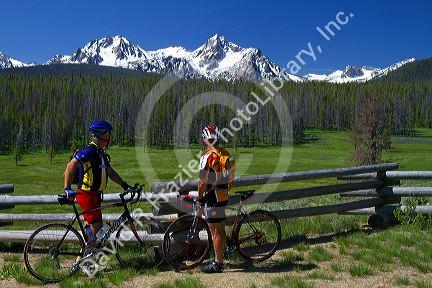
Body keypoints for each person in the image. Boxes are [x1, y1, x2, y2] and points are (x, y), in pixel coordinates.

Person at [63, 120, 132, 246]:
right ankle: (88, 262)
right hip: (87, 195)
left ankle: (83, 257)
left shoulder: (100, 153)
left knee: (92, 230)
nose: (110, 136)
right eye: (108, 134)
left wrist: (124, 184)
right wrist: (67, 188)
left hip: (93, 196)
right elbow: (70, 165)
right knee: (97, 230)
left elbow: (110, 172)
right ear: (103, 134)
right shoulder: (90, 151)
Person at [198, 125, 236, 273]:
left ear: (204, 140)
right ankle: (218, 258)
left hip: (212, 197)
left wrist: (200, 197)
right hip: (222, 195)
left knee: (216, 231)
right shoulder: (224, 154)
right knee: (219, 228)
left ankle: (217, 263)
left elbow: (202, 181)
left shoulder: (208, 156)